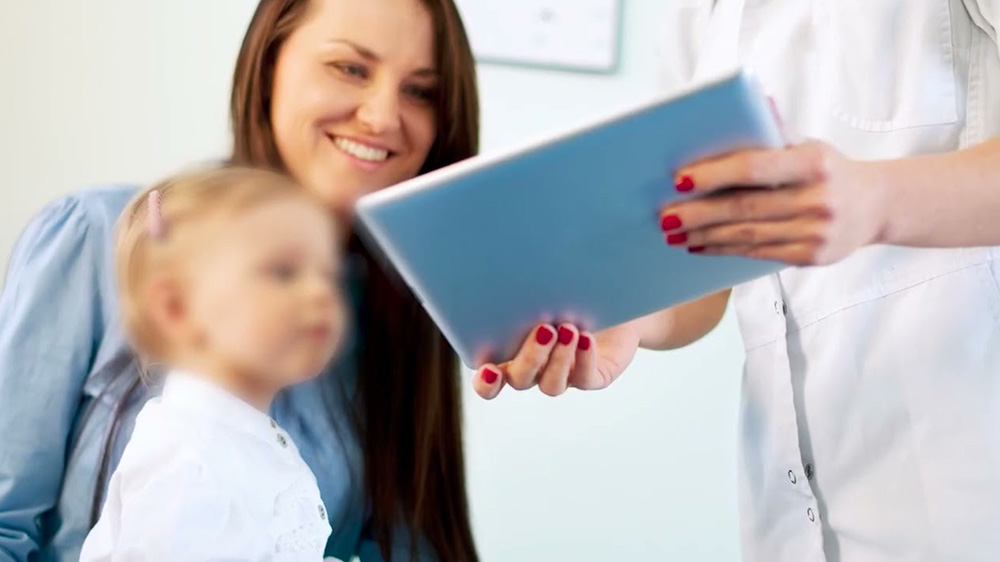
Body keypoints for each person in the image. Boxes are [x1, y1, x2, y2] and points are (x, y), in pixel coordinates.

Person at [473, 1, 1000, 560]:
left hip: (965, 485)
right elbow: (710, 258)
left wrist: (877, 201)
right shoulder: (695, 14)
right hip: (795, 516)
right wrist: (630, 311)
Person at [0, 0, 499, 560]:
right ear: (267, 68)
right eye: (351, 68)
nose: (383, 116)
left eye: (421, 91)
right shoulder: (99, 236)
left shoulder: (397, 303)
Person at [79, 167, 345, 560]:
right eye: (284, 272)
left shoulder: (235, 440)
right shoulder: (188, 467)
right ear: (177, 309)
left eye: (327, 273)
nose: (321, 293)